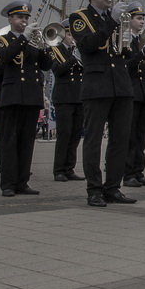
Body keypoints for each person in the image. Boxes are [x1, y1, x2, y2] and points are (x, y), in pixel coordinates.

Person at [70, 0, 138, 207]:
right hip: (97, 86)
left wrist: (128, 42)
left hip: (120, 85)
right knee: (93, 140)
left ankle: (113, 187)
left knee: (120, 139)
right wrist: (112, 22)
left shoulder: (116, 18)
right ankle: (94, 189)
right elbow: (88, 45)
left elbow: (124, 55)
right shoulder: (79, 17)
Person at [0, 1, 52, 197]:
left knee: (27, 142)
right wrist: (23, 39)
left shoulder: (34, 40)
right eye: (20, 17)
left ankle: (23, 182)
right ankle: (8, 184)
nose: (24, 20)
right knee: (10, 142)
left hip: (32, 95)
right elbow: (4, 57)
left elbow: (45, 65)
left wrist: (43, 46)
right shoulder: (2, 39)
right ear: (10, 19)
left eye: (26, 17)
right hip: (12, 95)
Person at [122, 2, 145, 188]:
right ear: (128, 20)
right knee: (130, 135)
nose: (142, 21)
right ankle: (128, 174)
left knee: (141, 135)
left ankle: (138, 171)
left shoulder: (143, 40)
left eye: (143, 17)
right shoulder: (124, 40)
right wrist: (141, 55)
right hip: (132, 91)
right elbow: (125, 64)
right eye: (138, 18)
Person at [49, 19, 86, 182]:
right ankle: (59, 170)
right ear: (63, 34)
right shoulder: (55, 50)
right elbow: (57, 70)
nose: (72, 38)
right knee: (64, 134)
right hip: (64, 97)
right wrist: (73, 58)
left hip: (79, 97)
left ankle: (69, 168)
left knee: (76, 134)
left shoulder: (79, 51)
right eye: (70, 34)